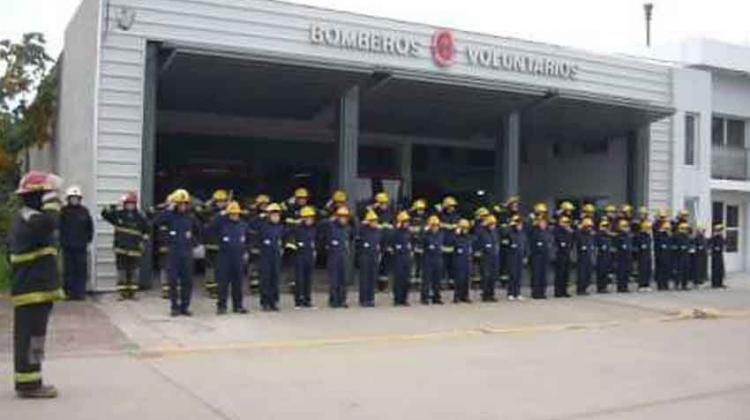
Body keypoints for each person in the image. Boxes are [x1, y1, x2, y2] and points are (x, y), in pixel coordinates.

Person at [9, 171, 64, 399]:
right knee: (31, 336)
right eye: (47, 194)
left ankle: (32, 379)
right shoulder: (32, 218)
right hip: (32, 290)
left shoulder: (27, 216)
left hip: (34, 289)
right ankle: (29, 384)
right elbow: (51, 222)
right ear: (37, 196)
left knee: (34, 336)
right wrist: (52, 200)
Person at [153, 189, 201, 316]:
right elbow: (156, 222)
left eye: (185, 203)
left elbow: (199, 230)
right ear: (175, 204)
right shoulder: (169, 216)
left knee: (188, 282)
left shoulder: (191, 217)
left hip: (187, 254)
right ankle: (174, 307)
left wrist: (194, 243)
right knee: (173, 282)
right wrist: (168, 209)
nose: (183, 206)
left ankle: (185, 307)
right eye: (180, 204)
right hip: (173, 254)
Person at [101, 192, 149, 300]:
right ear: (124, 204)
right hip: (121, 249)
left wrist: (144, 243)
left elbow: (147, 231)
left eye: (132, 203)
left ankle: (132, 293)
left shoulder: (140, 217)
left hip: (135, 249)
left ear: (135, 204)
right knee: (121, 271)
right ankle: (122, 293)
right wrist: (113, 205)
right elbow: (104, 214)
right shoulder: (118, 215)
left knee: (133, 271)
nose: (130, 206)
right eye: (128, 203)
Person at [208, 201, 249, 315]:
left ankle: (238, 306)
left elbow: (248, 239)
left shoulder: (243, 225)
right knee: (223, 283)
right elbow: (210, 228)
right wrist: (219, 215)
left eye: (236, 214)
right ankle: (221, 306)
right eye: (232, 214)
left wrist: (246, 251)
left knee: (238, 283)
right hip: (224, 257)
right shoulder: (222, 224)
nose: (234, 216)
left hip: (238, 257)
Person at [59, 185, 94, 300]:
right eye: (72, 198)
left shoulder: (84, 211)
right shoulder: (63, 211)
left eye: (76, 198)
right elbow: (60, 227)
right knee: (68, 271)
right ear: (68, 199)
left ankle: (80, 293)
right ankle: (68, 293)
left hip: (81, 246)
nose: (74, 200)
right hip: (67, 246)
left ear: (79, 199)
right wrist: (62, 241)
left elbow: (90, 227)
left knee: (81, 270)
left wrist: (88, 240)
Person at [199, 189, 230, 299]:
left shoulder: (228, 212)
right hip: (211, 244)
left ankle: (222, 288)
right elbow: (201, 214)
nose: (221, 203)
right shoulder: (209, 212)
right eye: (218, 201)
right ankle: (212, 289)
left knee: (224, 267)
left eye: (223, 201)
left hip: (224, 245)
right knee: (211, 267)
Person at [286, 205, 317, 309]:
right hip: (299, 256)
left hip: (309, 256)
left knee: (308, 279)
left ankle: (307, 300)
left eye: (311, 217)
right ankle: (298, 301)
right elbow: (289, 240)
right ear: (303, 218)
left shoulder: (313, 229)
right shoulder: (296, 229)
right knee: (299, 279)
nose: (310, 219)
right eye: (307, 217)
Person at [257, 203, 285, 311]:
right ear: (268, 216)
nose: (276, 217)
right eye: (273, 215)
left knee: (275, 279)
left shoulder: (281, 227)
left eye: (277, 215)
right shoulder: (263, 226)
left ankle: (273, 301)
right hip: (265, 256)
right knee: (265, 279)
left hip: (276, 256)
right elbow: (252, 227)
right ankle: (265, 302)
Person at [326, 205, 353, 308]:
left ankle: (342, 300)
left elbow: (355, 232)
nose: (343, 219)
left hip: (344, 255)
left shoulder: (348, 228)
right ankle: (334, 300)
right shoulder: (331, 226)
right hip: (334, 255)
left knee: (344, 279)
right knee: (334, 279)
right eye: (341, 216)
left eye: (345, 217)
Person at [368, 192, 394, 289]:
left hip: (387, 242)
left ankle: (383, 285)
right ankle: (372, 283)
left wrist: (391, 244)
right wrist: (373, 207)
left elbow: (392, 228)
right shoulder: (372, 213)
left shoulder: (390, 213)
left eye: (385, 203)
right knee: (375, 264)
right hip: (377, 242)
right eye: (381, 203)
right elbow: (363, 213)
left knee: (385, 265)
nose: (384, 205)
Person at [357, 210, 382, 307]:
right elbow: (357, 233)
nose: (374, 223)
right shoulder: (363, 230)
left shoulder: (378, 231)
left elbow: (380, 244)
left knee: (372, 278)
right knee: (364, 279)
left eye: (375, 221)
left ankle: (371, 299)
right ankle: (363, 299)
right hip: (365, 256)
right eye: (372, 221)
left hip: (374, 256)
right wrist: (363, 223)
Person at [421, 215, 445, 305]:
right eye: (433, 225)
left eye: (436, 225)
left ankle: (436, 297)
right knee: (426, 279)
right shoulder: (426, 235)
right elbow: (421, 240)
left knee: (437, 279)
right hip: (428, 259)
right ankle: (425, 297)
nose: (435, 227)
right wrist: (425, 231)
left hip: (438, 258)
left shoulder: (441, 234)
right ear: (430, 226)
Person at [391, 210, 413, 306]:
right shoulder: (396, 233)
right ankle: (397, 299)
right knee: (398, 279)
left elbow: (412, 242)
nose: (407, 223)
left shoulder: (408, 232)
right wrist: (397, 248)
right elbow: (392, 244)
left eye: (407, 221)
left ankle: (404, 299)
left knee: (406, 279)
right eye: (405, 222)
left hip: (407, 257)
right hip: (398, 258)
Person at [476, 214, 500, 302]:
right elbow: (478, 241)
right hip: (486, 257)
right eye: (491, 224)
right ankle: (485, 295)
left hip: (494, 257)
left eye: (494, 224)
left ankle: (491, 294)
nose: (493, 226)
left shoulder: (495, 233)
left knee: (493, 277)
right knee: (486, 276)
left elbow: (497, 243)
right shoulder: (482, 232)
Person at [439, 196, 460, 288]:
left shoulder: (456, 216)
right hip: (443, 243)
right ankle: (441, 283)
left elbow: (458, 226)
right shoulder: (440, 216)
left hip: (454, 243)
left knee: (453, 266)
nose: (452, 208)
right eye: (450, 206)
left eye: (453, 206)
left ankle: (452, 283)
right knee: (442, 266)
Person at [451, 218, 473, 303]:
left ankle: (465, 296)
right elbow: (452, 242)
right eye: (463, 228)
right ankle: (457, 296)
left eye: (466, 228)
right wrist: (456, 234)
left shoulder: (468, 237)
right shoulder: (456, 237)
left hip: (467, 260)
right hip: (458, 261)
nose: (465, 230)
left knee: (466, 280)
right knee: (459, 279)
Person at [529, 217, 552, 299]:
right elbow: (532, 243)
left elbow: (550, 242)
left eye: (545, 223)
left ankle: (542, 292)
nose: (543, 225)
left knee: (543, 275)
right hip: (537, 256)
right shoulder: (535, 232)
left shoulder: (547, 232)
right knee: (536, 275)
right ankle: (535, 292)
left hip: (545, 256)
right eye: (541, 223)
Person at [507, 215, 527, 300]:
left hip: (520, 256)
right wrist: (510, 226)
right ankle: (511, 293)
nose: (520, 225)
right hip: (512, 256)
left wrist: (526, 256)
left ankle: (518, 293)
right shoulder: (510, 233)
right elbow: (506, 244)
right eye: (518, 224)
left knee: (519, 275)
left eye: (520, 224)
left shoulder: (523, 233)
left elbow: (526, 245)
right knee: (512, 274)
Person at [553, 216, 573, 298]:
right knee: (559, 274)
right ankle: (558, 291)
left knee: (566, 274)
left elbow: (571, 242)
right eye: (564, 222)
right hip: (560, 254)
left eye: (567, 223)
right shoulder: (557, 230)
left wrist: (570, 232)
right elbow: (559, 241)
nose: (566, 224)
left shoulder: (568, 231)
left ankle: (564, 291)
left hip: (567, 254)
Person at [408, 198, 428, 282]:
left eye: (422, 209)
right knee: (413, 264)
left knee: (421, 265)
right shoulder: (411, 219)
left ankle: (419, 281)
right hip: (413, 245)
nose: (421, 211)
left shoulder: (425, 219)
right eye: (419, 209)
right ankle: (412, 281)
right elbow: (410, 234)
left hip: (422, 245)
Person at [575, 218, 595, 295]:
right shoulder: (579, 233)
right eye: (588, 226)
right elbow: (578, 241)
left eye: (590, 227)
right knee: (582, 274)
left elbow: (592, 243)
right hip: (582, 256)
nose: (589, 228)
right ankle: (580, 289)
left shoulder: (590, 234)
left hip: (589, 256)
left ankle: (585, 288)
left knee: (588, 273)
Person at [595, 220, 614, 293]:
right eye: (604, 227)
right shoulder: (598, 235)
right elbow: (597, 245)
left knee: (606, 271)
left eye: (607, 227)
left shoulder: (608, 235)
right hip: (601, 256)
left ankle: (604, 287)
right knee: (601, 272)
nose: (606, 228)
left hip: (607, 255)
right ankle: (600, 287)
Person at [614, 219, 633, 293]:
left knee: (626, 272)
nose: (626, 228)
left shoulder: (628, 236)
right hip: (621, 257)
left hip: (627, 256)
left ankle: (625, 286)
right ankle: (620, 287)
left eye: (626, 226)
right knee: (621, 272)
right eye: (624, 226)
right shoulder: (619, 236)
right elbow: (617, 246)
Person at [635, 220, 653, 292]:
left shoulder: (648, 236)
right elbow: (637, 244)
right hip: (642, 255)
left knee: (648, 270)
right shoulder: (640, 235)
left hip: (648, 254)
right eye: (648, 228)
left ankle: (647, 284)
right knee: (642, 270)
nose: (649, 230)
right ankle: (641, 285)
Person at [653, 220, 672, 291]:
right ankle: (660, 285)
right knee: (660, 271)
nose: (668, 230)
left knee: (666, 271)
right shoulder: (659, 235)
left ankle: (665, 284)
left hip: (667, 256)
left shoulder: (668, 236)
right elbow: (658, 246)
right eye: (667, 229)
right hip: (660, 256)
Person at [673, 222, 691, 290]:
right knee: (679, 271)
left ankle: (684, 285)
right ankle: (677, 284)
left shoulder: (687, 236)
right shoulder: (676, 236)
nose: (685, 230)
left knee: (686, 271)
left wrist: (689, 248)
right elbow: (673, 245)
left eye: (686, 229)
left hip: (686, 255)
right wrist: (679, 247)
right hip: (678, 256)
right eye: (684, 229)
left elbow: (689, 244)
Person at [709, 224, 726, 289]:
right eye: (719, 230)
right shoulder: (713, 238)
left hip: (720, 255)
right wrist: (714, 248)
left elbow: (724, 244)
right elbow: (710, 245)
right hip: (715, 255)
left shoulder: (721, 237)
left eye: (721, 230)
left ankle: (720, 283)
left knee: (720, 269)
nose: (720, 232)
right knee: (715, 269)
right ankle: (714, 284)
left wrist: (723, 247)